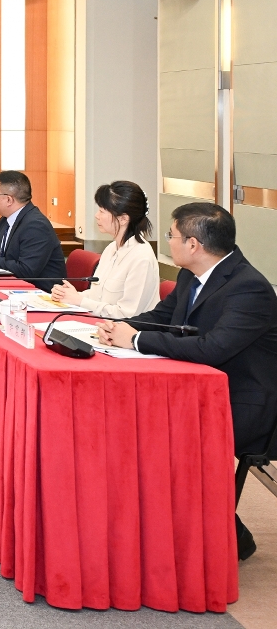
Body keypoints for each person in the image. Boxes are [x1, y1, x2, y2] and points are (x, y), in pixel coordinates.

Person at [97, 203, 277, 560]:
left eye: (172, 235)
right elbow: (161, 317)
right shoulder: (190, 275)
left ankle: (227, 535)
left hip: (245, 403)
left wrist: (135, 340)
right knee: (128, 424)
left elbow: (213, 348)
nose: (168, 241)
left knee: (156, 437)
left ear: (193, 244)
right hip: (197, 390)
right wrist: (120, 327)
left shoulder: (248, 288)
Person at [50, 181, 158, 317]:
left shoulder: (141, 258)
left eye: (102, 211)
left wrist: (79, 301)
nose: (97, 215)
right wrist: (71, 295)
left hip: (125, 328)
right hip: (102, 324)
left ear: (123, 219)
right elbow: (98, 295)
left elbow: (127, 315)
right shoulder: (111, 248)